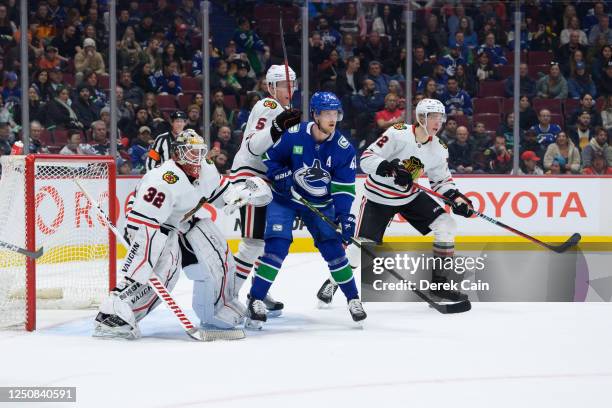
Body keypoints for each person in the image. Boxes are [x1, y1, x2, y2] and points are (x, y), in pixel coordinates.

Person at [93, 131, 258, 339]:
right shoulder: (163, 180)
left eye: (199, 152)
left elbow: (217, 191)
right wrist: (140, 264)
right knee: (164, 272)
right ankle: (114, 315)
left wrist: (236, 195)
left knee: (217, 250)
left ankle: (220, 307)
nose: (196, 158)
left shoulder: (205, 168)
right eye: (191, 152)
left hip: (181, 218)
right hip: (150, 223)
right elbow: (144, 225)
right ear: (177, 154)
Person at [317, 98, 473, 307]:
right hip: (378, 197)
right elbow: (366, 158)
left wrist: (456, 197)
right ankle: (333, 281)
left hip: (409, 197)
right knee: (361, 247)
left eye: (440, 117)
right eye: (432, 117)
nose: (438, 122)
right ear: (420, 118)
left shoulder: (439, 148)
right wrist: (391, 170)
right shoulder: (398, 133)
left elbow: (441, 181)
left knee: (446, 224)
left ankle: (440, 285)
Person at [247, 91, 366, 329]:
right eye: (327, 114)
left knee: (334, 250)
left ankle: (353, 299)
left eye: (336, 114)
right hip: (285, 199)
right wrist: (278, 173)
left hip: (319, 205)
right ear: (315, 114)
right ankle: (256, 299)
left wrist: (344, 216)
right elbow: (269, 157)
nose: (333, 119)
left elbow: (343, 189)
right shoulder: (294, 134)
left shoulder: (344, 149)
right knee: (277, 247)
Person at [227, 65, 301, 315]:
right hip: (250, 179)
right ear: (271, 87)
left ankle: (258, 291)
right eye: (284, 85)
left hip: (267, 183)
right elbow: (254, 147)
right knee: (252, 243)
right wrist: (280, 125)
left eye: (292, 84)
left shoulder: (285, 113)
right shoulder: (268, 107)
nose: (289, 90)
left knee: (267, 243)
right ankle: (226, 298)